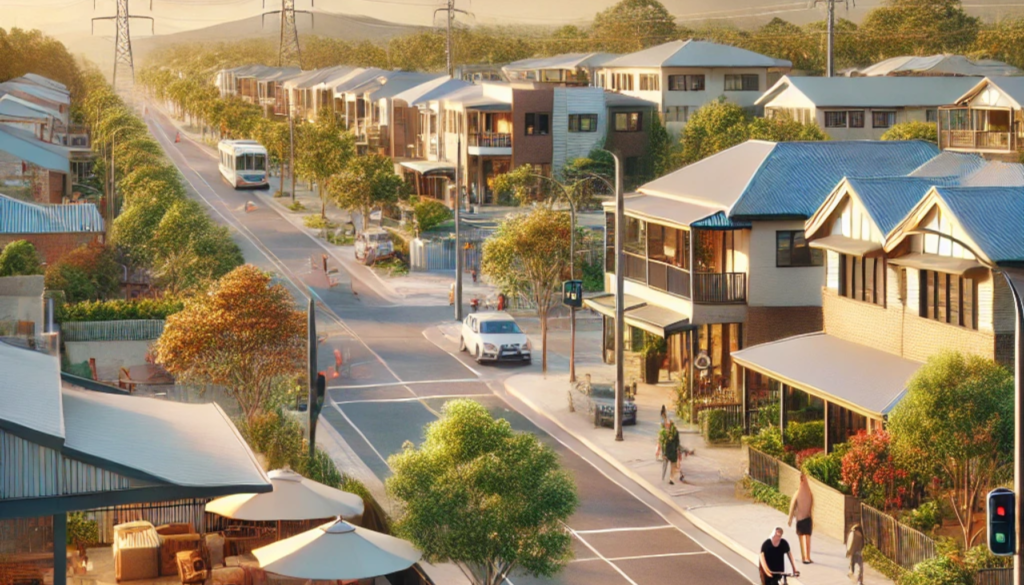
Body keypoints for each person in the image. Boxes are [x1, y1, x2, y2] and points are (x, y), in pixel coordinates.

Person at [788, 473, 815, 564]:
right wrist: (790, 518)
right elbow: (793, 506)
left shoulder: (801, 493)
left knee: (806, 539)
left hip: (804, 520)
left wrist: (790, 518)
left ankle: (806, 557)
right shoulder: (808, 493)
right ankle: (805, 557)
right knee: (805, 539)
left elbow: (811, 507)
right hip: (805, 520)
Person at [655, 420, 681, 485]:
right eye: (666, 424)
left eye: (668, 424)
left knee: (673, 465)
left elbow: (677, 442)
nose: (667, 425)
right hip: (666, 451)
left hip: (673, 451)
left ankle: (671, 479)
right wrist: (658, 450)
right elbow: (660, 441)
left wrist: (678, 450)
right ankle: (663, 477)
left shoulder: (675, 432)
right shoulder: (663, 432)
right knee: (665, 464)